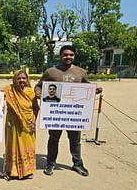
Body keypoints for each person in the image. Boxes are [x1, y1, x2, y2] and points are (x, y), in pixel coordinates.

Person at [35, 45, 103, 177]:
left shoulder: (81, 72)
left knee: (75, 140)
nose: (68, 57)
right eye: (65, 55)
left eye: (71, 55)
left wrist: (95, 90)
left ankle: (77, 164)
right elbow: (39, 85)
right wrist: (38, 91)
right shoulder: (51, 72)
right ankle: (50, 163)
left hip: (74, 114)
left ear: (74, 56)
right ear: (60, 56)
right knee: (53, 139)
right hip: (56, 113)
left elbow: (87, 88)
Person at [3, 69, 39, 179]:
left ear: (27, 79)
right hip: (13, 124)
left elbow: (36, 108)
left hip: (28, 124)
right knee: (13, 144)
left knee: (28, 146)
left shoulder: (30, 92)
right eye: (19, 78)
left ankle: (27, 170)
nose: (21, 80)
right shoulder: (8, 90)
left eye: (24, 78)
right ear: (15, 79)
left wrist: (33, 122)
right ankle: (13, 170)